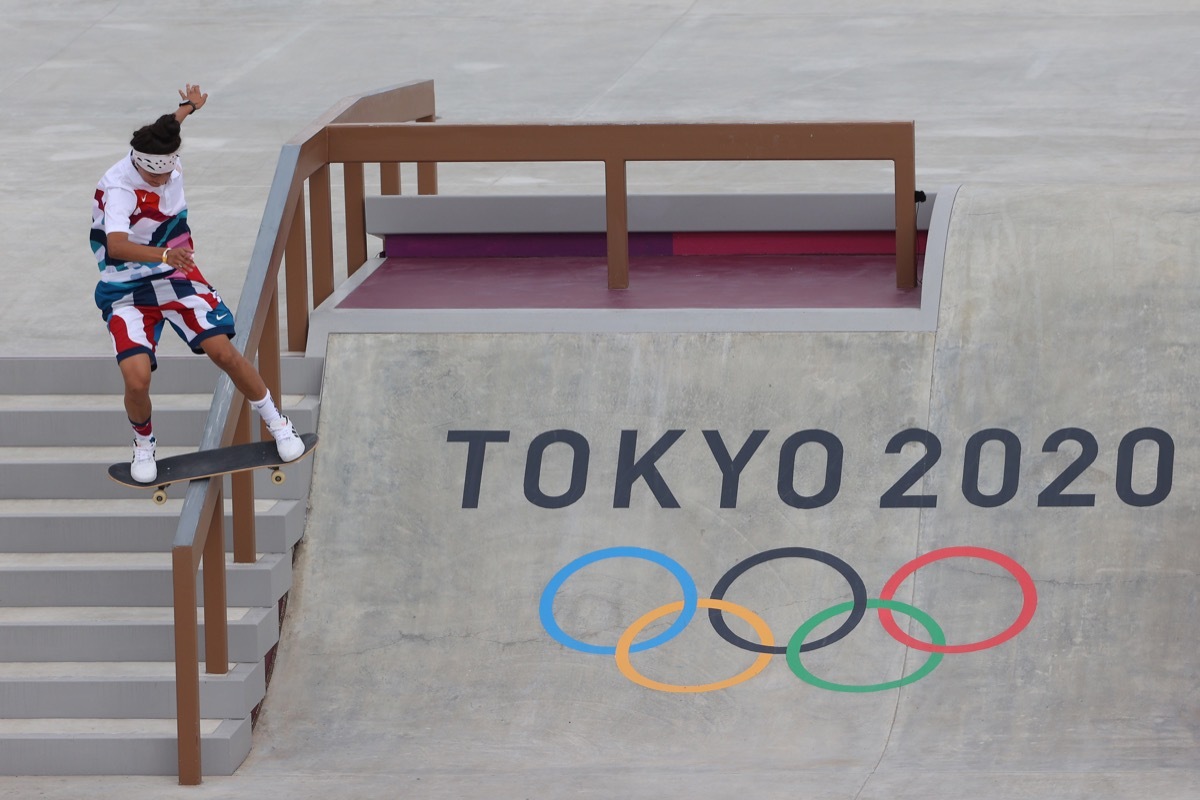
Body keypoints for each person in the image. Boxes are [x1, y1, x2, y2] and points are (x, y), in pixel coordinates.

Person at [90, 84, 304, 484]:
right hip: (126, 289)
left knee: (223, 351)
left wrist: (188, 106)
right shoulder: (120, 189)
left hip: (175, 276)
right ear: (138, 164)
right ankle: (143, 444)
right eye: (155, 176)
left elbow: (169, 125)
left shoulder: (162, 152)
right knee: (136, 378)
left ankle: (278, 423)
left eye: (168, 172)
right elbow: (116, 245)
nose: (163, 180)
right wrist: (164, 254)